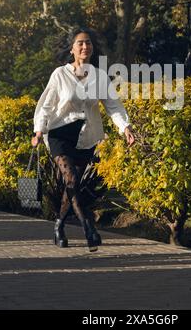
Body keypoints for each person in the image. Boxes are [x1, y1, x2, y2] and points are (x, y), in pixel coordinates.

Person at [31, 27, 135, 252]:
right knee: (72, 177)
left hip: (86, 137)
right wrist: (39, 130)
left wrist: (124, 127)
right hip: (60, 134)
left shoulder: (99, 76)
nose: (85, 46)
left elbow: (112, 105)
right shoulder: (60, 74)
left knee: (73, 184)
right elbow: (47, 105)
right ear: (72, 49)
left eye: (88, 42)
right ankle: (88, 226)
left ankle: (59, 225)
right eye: (80, 43)